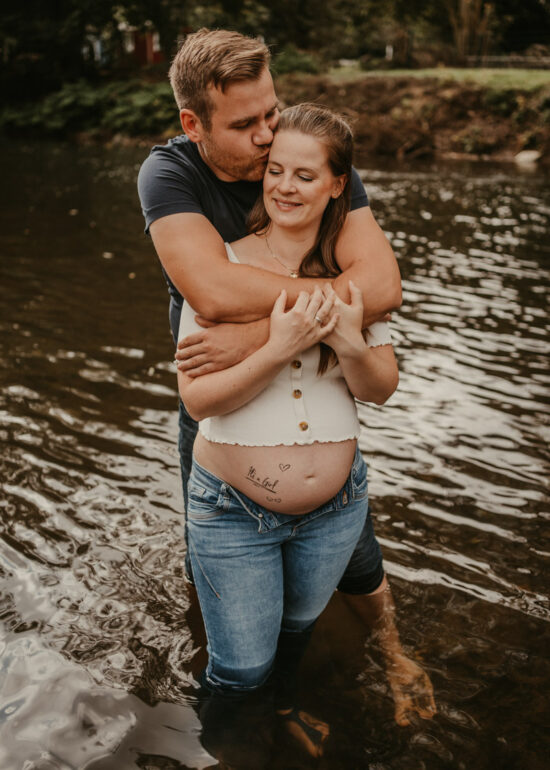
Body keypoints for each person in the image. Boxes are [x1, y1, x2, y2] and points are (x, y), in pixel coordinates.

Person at [137, 28, 435, 728]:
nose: (272, 142)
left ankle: (387, 649)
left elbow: (384, 284)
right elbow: (209, 292)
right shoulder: (169, 174)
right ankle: (227, 663)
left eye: (273, 111)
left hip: (304, 404)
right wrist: (282, 328)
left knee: (355, 547)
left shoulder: (309, 158)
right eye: (247, 126)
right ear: (194, 124)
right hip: (216, 379)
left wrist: (257, 325)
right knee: (203, 547)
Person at [178, 101, 398, 753]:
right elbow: (198, 401)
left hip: (335, 511)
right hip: (231, 512)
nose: (284, 187)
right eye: (275, 170)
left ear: (338, 185)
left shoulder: (355, 278)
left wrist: (350, 340)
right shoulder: (221, 268)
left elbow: (380, 389)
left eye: (306, 175)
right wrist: (276, 346)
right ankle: (232, 751)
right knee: (239, 670)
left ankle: (285, 711)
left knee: (297, 630)